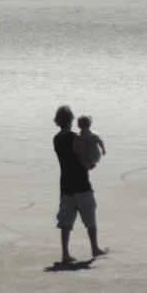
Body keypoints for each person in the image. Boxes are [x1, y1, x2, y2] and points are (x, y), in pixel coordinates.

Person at [53, 106, 107, 264]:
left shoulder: (56, 139)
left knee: (66, 221)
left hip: (65, 184)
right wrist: (91, 165)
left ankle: (65, 254)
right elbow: (83, 160)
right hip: (81, 183)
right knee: (90, 217)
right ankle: (95, 248)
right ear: (71, 121)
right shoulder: (77, 138)